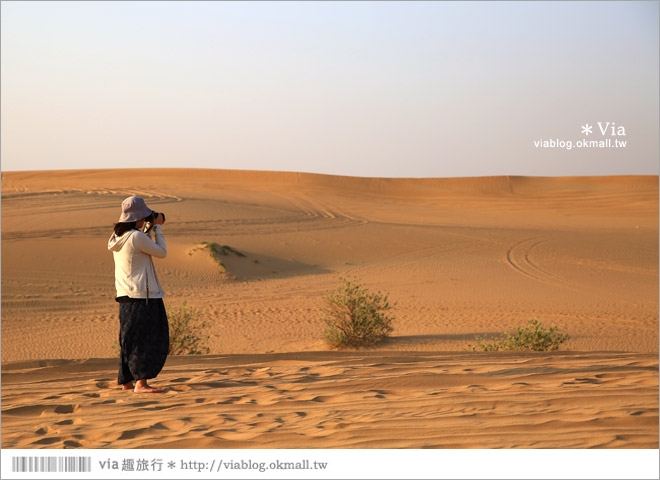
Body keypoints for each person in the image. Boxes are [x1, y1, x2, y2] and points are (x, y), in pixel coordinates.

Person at [108, 196, 169, 393]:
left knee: (129, 339)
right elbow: (161, 252)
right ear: (137, 217)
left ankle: (126, 381)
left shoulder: (118, 237)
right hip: (144, 296)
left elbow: (140, 241)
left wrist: (147, 227)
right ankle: (141, 384)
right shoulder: (136, 237)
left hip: (126, 295)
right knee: (148, 338)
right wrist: (157, 227)